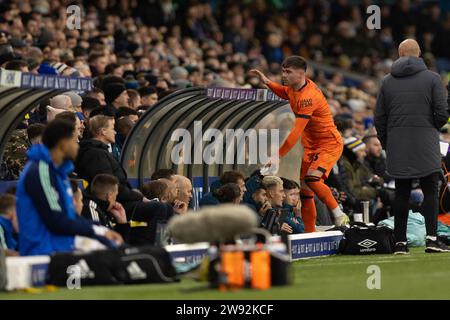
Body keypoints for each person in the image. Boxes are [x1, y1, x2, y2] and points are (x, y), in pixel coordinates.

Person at [251, 56, 349, 231]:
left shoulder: (308, 97)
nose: (284, 75)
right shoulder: (293, 88)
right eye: (283, 71)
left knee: (312, 179)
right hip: (311, 144)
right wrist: (267, 82)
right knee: (305, 193)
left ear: (301, 73)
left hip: (328, 143)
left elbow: (296, 131)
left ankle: (339, 214)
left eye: (288, 72)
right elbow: (283, 92)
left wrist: (277, 155)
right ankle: (310, 233)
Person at [375, 39, 450, 254]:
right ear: (419, 54)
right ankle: (432, 240)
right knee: (430, 191)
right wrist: (431, 128)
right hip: (426, 143)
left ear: (399, 54)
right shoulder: (433, 78)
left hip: (398, 144)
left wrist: (388, 143)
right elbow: (442, 114)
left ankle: (400, 243)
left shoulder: (387, 81)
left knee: (401, 193)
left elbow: (379, 118)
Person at [16, 119, 123, 256]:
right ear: (63, 144)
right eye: (74, 140)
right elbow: (56, 220)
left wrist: (101, 231)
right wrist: (99, 232)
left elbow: (69, 216)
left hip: (62, 247)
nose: (78, 145)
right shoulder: (40, 170)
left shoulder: (57, 171)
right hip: (44, 252)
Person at [75, 116, 184, 245]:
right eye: (112, 128)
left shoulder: (100, 151)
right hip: (115, 201)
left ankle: (164, 244)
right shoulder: (96, 154)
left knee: (165, 208)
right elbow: (109, 184)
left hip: (121, 198)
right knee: (159, 208)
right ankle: (152, 247)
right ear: (103, 131)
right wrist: (137, 196)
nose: (115, 132)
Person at [81, 174, 130, 243]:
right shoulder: (91, 208)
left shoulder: (104, 210)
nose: (115, 200)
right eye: (115, 195)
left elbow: (119, 243)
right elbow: (101, 244)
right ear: (109, 196)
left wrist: (122, 222)